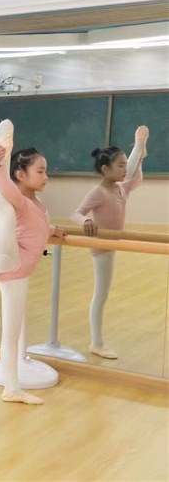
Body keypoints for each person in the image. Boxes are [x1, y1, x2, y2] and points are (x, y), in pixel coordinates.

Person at [0, 120, 66, 405]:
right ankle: (12, 389)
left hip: (14, 264)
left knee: (15, 328)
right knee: (5, 210)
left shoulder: (36, 205)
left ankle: (0, 156)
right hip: (11, 265)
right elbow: (8, 192)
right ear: (21, 174)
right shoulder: (20, 200)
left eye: (46, 171)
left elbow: (37, 225)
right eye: (40, 171)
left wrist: (52, 230)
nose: (46, 176)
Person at [71, 126, 148, 359]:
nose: (125, 170)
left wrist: (139, 156)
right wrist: (86, 221)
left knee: (102, 294)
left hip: (113, 245)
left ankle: (97, 342)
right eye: (120, 166)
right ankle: (97, 343)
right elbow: (77, 213)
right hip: (102, 248)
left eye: (125, 165)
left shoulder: (121, 188)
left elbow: (136, 179)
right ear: (105, 169)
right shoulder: (99, 192)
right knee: (101, 296)